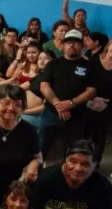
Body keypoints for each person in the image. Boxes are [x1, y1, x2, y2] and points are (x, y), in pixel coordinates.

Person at [35, 29, 95, 157]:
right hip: (51, 112)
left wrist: (71, 103)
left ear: (82, 46)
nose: (71, 45)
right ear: (63, 45)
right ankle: (35, 173)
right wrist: (58, 104)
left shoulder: (89, 66)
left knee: (72, 151)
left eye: (76, 42)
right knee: (40, 147)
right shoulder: (53, 64)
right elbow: (44, 85)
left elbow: (91, 91)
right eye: (68, 42)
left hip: (77, 115)